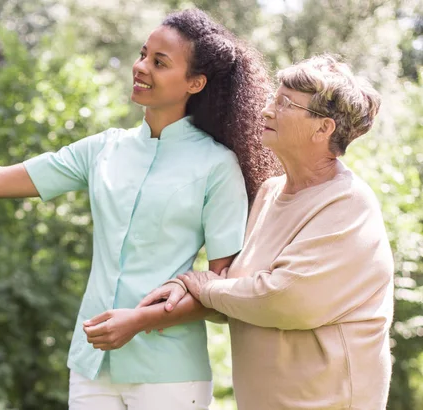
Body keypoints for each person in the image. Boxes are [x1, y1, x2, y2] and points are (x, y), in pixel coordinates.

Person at [0, 8, 279, 409]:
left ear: (195, 82)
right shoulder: (104, 148)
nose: (141, 67)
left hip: (169, 374)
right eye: (143, 54)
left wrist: (142, 320)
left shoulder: (217, 166)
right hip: (91, 366)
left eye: (159, 63)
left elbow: (224, 292)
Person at [142, 55, 394, 409]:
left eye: (285, 103)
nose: (266, 111)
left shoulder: (349, 204)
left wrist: (207, 287)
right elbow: (242, 291)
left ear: (323, 129)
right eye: (274, 98)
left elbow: (286, 299)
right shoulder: (271, 192)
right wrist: (187, 285)